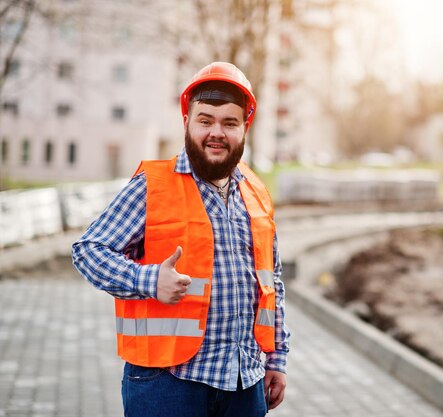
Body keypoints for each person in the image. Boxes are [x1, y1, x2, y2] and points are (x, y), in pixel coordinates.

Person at [72, 61, 290, 417]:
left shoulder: (257, 193)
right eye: (205, 120)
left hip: (244, 385)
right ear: (186, 121)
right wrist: (149, 279)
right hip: (167, 385)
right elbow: (88, 251)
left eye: (229, 123)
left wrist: (277, 358)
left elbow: (272, 283)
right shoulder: (152, 187)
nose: (216, 132)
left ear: (245, 128)